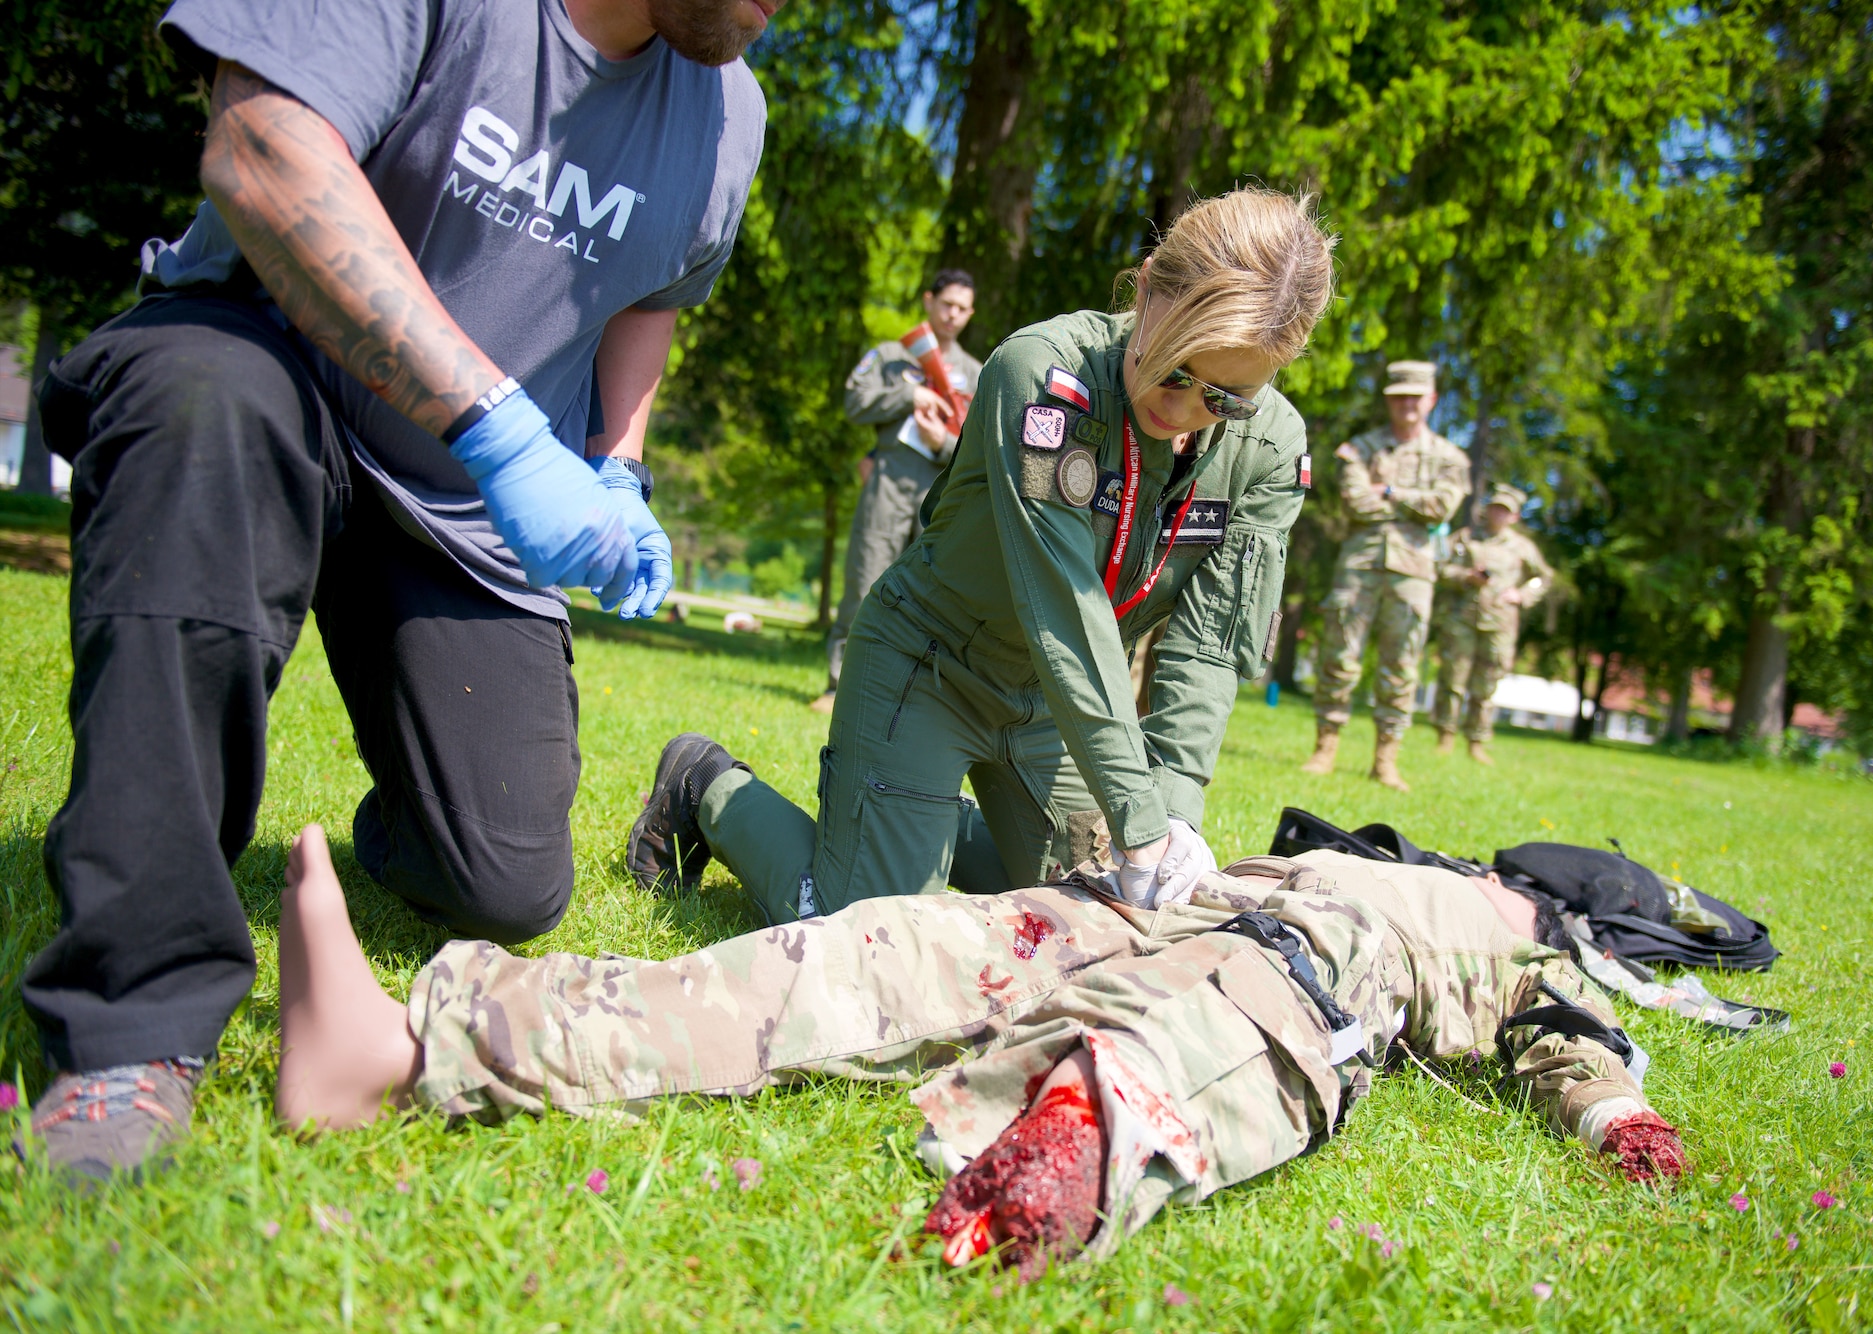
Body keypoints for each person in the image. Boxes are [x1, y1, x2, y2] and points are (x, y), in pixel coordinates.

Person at [17, 0, 775, 1182]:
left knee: (503, 881)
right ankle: (133, 1021)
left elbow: (651, 298)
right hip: (267, 372)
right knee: (204, 414)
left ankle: (373, 824)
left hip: (457, 510)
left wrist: (615, 467)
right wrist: (500, 430)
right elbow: (260, 146)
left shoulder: (730, 113)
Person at [273, 821, 1687, 1277]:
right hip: (1122, 912)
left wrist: (1615, 1113)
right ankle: (413, 1043)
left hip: (1291, 976)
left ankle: (1071, 1142)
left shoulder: (1523, 943)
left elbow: (1570, 1036)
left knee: (1216, 1025)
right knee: (854, 960)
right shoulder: (1352, 853)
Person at [628, 190, 1333, 922]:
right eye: (1176, 369)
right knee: (864, 943)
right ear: (1149, 284)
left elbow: (1208, 645)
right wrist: (1138, 817)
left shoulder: (1271, 449)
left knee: (1094, 922)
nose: (1184, 411)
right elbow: (1063, 606)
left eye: (1224, 397)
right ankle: (707, 784)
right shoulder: (1042, 377)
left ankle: (918, 818)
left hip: (1060, 713)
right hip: (931, 667)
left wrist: (1176, 806)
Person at [813, 271, 983, 713]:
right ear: (929, 301)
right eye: (946, 304)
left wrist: (939, 443)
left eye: (962, 308)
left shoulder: (975, 372)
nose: (953, 315)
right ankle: (838, 688)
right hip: (887, 481)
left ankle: (907, 699)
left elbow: (979, 445)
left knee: (930, 594)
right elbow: (855, 402)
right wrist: (909, 397)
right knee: (864, 579)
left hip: (941, 491)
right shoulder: (891, 356)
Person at [1304, 361, 1470, 790]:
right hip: (1360, 565)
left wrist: (1391, 491)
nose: (1407, 405)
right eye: (1399, 397)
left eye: (1416, 396)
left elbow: (1443, 507)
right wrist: (1412, 502)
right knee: (1339, 654)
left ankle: (1385, 759)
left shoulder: (1451, 458)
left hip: (1414, 570)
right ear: (1388, 400)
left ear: (1431, 400)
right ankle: (1325, 746)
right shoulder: (1359, 449)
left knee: (1403, 663)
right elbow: (1357, 503)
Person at [1431, 484, 1552, 764]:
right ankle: (1445, 737)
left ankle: (1476, 741)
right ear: (1488, 510)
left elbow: (1543, 577)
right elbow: (1438, 566)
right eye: (1495, 508)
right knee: (1453, 678)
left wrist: (1522, 594)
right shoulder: (1466, 537)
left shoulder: (1523, 547)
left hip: (1499, 622)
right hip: (1461, 618)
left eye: (1505, 511)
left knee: (1487, 684)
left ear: (1514, 517)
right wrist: (1465, 576)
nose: (1498, 514)